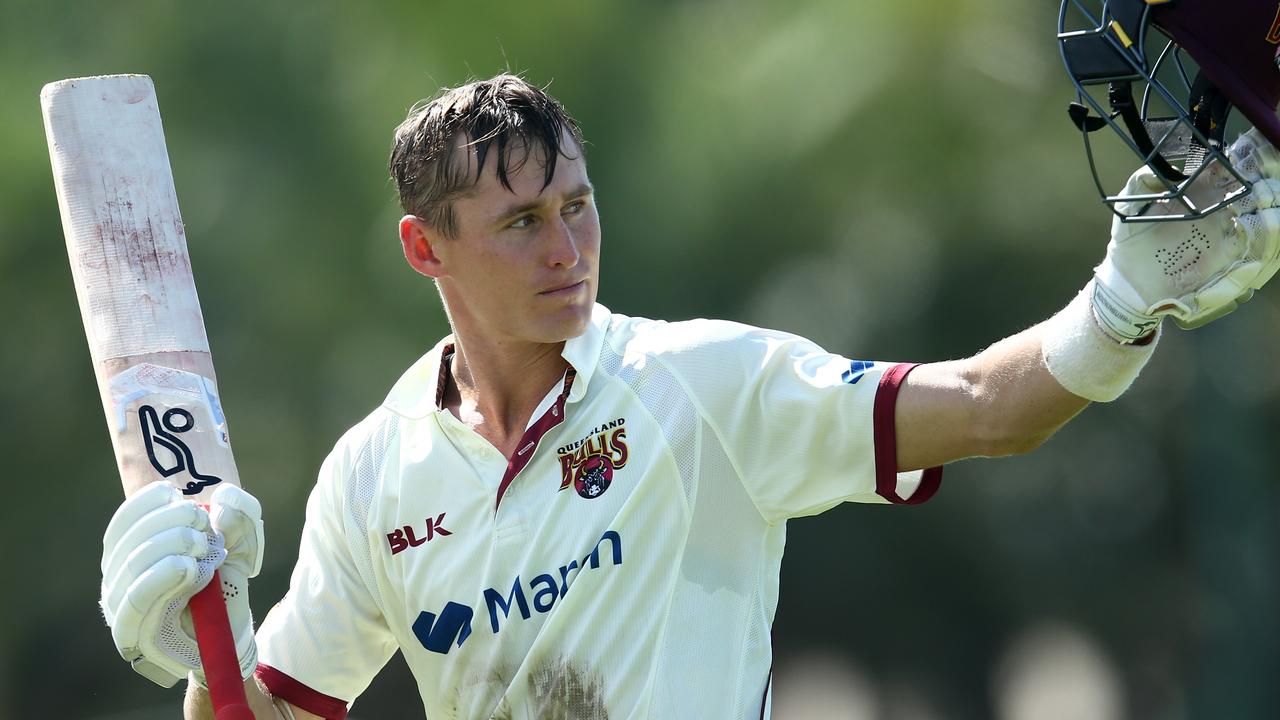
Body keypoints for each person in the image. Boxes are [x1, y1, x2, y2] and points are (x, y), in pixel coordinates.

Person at [98, 4, 1280, 718]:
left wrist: (1123, 300)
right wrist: (189, 655)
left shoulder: (702, 386)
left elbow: (983, 408)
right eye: (520, 224)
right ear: (425, 247)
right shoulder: (373, 474)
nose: (567, 249)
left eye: (577, 205)